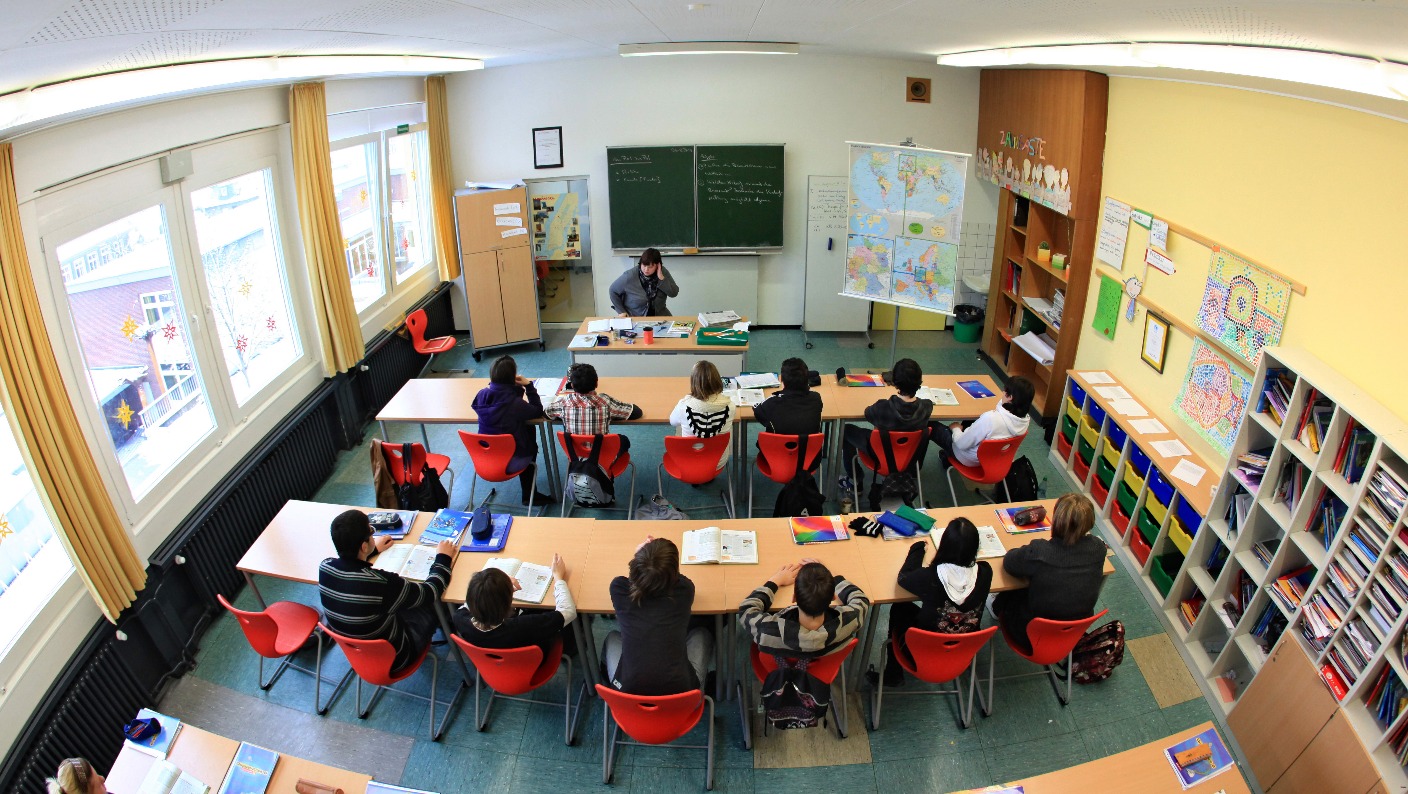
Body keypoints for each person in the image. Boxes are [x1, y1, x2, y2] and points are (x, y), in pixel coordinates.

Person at [318, 510, 456, 676]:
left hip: (360, 655)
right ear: (363, 546)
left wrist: (372, 550)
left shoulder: (325, 567)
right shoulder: (380, 583)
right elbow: (430, 592)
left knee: (399, 600)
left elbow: (350, 566)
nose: (373, 535)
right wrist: (443, 557)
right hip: (398, 658)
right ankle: (455, 636)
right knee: (439, 601)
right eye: (371, 532)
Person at [874, 517, 994, 686]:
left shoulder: (931, 577)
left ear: (944, 545)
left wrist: (917, 549)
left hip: (921, 653)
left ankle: (893, 673)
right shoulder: (985, 572)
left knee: (900, 608)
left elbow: (904, 578)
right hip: (963, 651)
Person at [992, 493, 1107, 653]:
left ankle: (995, 609)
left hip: (1029, 636)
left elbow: (1009, 563)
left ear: (1056, 520)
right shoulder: (1098, 548)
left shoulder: (1040, 552)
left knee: (1014, 589)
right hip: (1071, 635)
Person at [603, 536, 713, 695]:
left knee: (612, 636)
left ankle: (605, 679)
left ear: (636, 566)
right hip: (682, 694)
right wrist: (657, 564)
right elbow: (679, 580)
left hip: (628, 693)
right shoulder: (685, 591)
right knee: (701, 634)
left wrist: (641, 559)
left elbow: (632, 580)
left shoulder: (618, 589)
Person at [738, 559, 869, 659]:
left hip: (777, 673)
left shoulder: (767, 630)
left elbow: (746, 610)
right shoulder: (850, 620)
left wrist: (774, 581)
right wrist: (834, 578)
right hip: (822, 675)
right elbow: (861, 600)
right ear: (834, 597)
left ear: (794, 597)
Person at [454, 552, 576, 658]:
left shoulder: (459, 618)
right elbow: (568, 612)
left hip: (491, 667)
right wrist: (558, 578)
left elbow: (469, 602)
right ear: (507, 603)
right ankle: (571, 649)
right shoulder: (525, 626)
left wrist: (496, 589)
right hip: (533, 664)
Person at [839, 358, 934, 490]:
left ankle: (854, 480)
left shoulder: (882, 407)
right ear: (919, 381)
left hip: (880, 452)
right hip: (909, 458)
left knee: (846, 430)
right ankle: (911, 474)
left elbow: (867, 413)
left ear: (894, 381)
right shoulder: (927, 407)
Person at [471, 355, 553, 506]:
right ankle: (529, 495)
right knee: (529, 431)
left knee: (524, 428)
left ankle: (529, 492)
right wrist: (528, 386)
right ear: (512, 377)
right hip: (512, 460)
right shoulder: (514, 404)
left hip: (486, 459)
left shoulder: (481, 395)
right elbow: (537, 411)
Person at [544, 363, 643, 461]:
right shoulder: (605, 401)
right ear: (597, 384)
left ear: (572, 385)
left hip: (575, 458)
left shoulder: (564, 403)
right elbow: (637, 413)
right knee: (623, 440)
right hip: (602, 460)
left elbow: (546, 413)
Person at [931, 376, 1033, 468]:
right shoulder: (1024, 420)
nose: (1002, 393)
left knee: (931, 424)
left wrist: (956, 429)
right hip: (994, 458)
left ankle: (948, 458)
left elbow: (961, 444)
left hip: (968, 458)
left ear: (1010, 397)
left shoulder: (990, 419)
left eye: (1005, 391)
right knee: (972, 420)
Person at [668, 360, 736, 470]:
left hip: (688, 462)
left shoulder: (683, 406)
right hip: (718, 462)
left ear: (694, 383)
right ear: (717, 381)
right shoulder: (730, 406)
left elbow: (672, 421)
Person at [753, 357, 823, 439]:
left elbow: (757, 409)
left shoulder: (772, 402)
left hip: (776, 447)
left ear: (782, 380)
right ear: (807, 379)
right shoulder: (816, 398)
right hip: (809, 447)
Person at [609, 248, 679, 317]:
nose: (646, 270)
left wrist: (662, 279)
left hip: (660, 315)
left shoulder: (663, 272)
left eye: (650, 267)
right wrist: (621, 311)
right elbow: (613, 290)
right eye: (644, 265)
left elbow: (673, 293)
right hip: (636, 317)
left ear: (658, 265)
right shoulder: (629, 276)